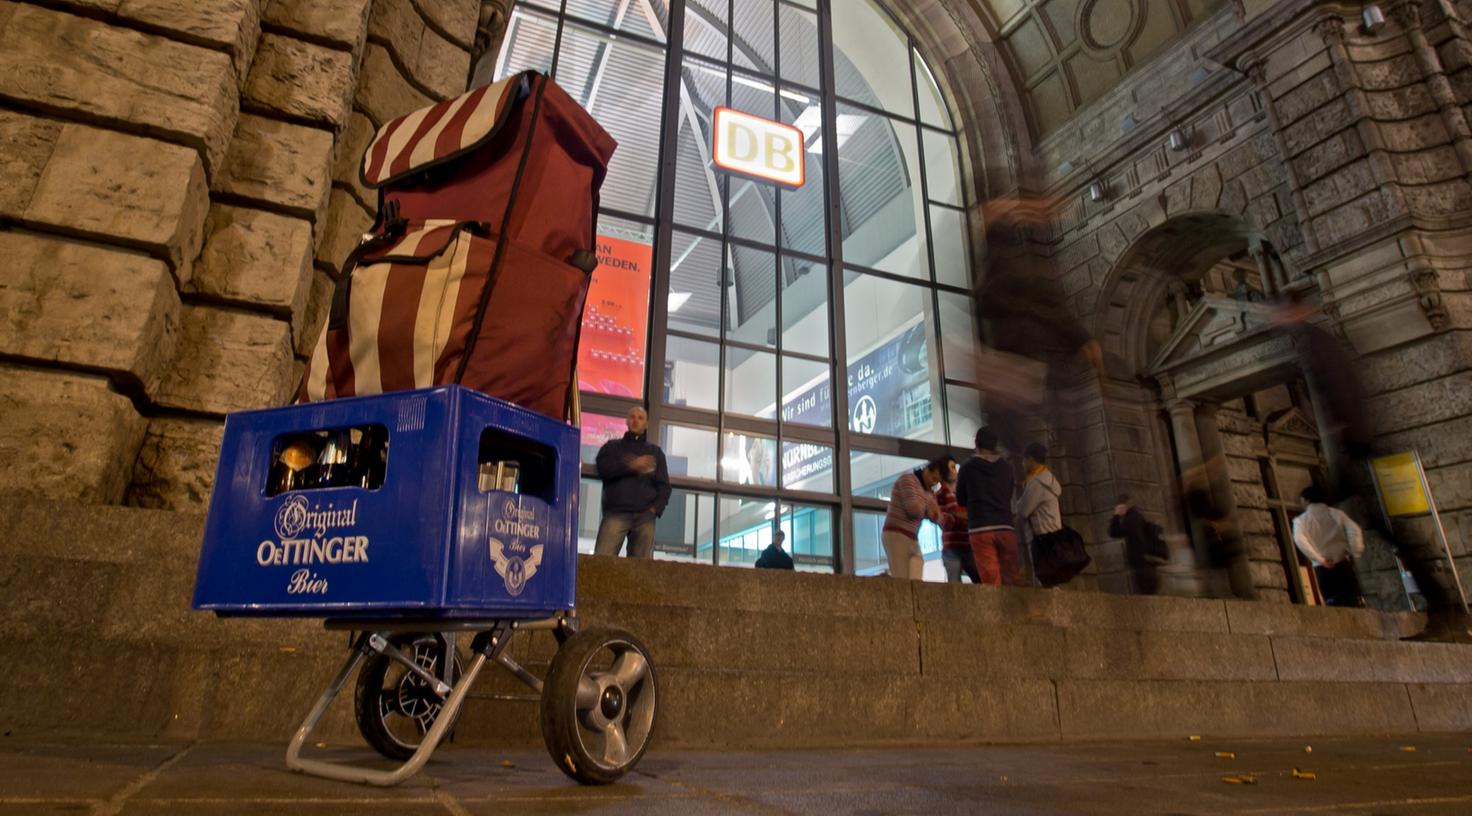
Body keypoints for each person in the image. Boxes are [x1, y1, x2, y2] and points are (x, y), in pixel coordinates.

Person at [1271, 295, 1469, 640]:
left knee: (1394, 531)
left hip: (1357, 447)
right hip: (1355, 446)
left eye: (1278, 311)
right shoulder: (1312, 341)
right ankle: (1444, 607)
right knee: (1390, 530)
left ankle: (1446, 609)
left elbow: (1342, 394)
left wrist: (1347, 441)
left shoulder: (1315, 342)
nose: (1273, 318)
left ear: (1294, 310)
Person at [593, 406, 670, 558]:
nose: (636, 420)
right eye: (633, 417)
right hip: (615, 513)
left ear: (646, 424)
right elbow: (603, 469)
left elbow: (664, 486)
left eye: (640, 418)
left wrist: (655, 510)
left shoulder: (656, 453)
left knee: (640, 572)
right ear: (627, 421)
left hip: (645, 516)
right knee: (601, 563)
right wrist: (631, 465)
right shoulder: (612, 447)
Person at [956, 427, 1019, 586]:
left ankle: (996, 610)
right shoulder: (1006, 467)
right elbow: (1009, 494)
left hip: (981, 528)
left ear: (976, 443)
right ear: (995, 444)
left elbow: (961, 499)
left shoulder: (967, 467)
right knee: (1010, 577)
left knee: (991, 581)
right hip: (1006, 526)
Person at [1292, 485, 1365, 607]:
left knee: (1334, 604)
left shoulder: (1301, 521)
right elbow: (1354, 530)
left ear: (1306, 500)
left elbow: (1300, 541)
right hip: (1343, 563)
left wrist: (1319, 559)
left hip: (1323, 568)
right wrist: (1354, 551)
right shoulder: (1336, 513)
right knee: (1354, 601)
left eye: (1301, 500)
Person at [881, 455, 950, 579]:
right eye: (933, 478)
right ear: (927, 469)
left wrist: (930, 509)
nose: (933, 482)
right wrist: (929, 506)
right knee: (901, 577)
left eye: (937, 481)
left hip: (912, 536)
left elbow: (938, 518)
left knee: (916, 578)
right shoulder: (908, 480)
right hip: (896, 534)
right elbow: (914, 509)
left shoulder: (929, 492)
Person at [1110, 493, 1166, 596]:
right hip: (1146, 562)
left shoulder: (1132, 518)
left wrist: (1116, 515)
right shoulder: (1137, 517)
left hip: (1142, 563)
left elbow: (1114, 532)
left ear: (1123, 505)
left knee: (1145, 596)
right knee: (1149, 595)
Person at [936, 460, 981, 583]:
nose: (955, 470)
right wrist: (960, 516)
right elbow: (944, 521)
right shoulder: (940, 495)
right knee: (954, 585)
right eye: (952, 467)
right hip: (951, 546)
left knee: (980, 579)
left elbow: (967, 515)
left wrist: (957, 515)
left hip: (967, 544)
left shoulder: (963, 493)